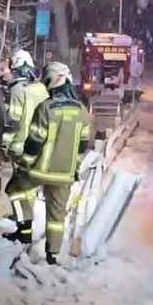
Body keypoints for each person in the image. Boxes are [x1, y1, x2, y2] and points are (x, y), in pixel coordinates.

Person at [20, 62, 93, 266]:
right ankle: (52, 255)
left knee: (18, 192)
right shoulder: (82, 112)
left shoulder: (46, 108)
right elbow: (82, 148)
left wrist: (24, 165)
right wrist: (74, 170)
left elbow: (34, 142)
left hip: (40, 172)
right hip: (64, 176)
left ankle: (22, 234)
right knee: (57, 218)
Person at [1, 50, 49, 245]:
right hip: (41, 146)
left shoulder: (17, 90)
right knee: (28, 188)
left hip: (22, 148)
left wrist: (6, 144)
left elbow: (14, 121)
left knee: (15, 189)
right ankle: (26, 227)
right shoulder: (41, 89)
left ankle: (24, 231)